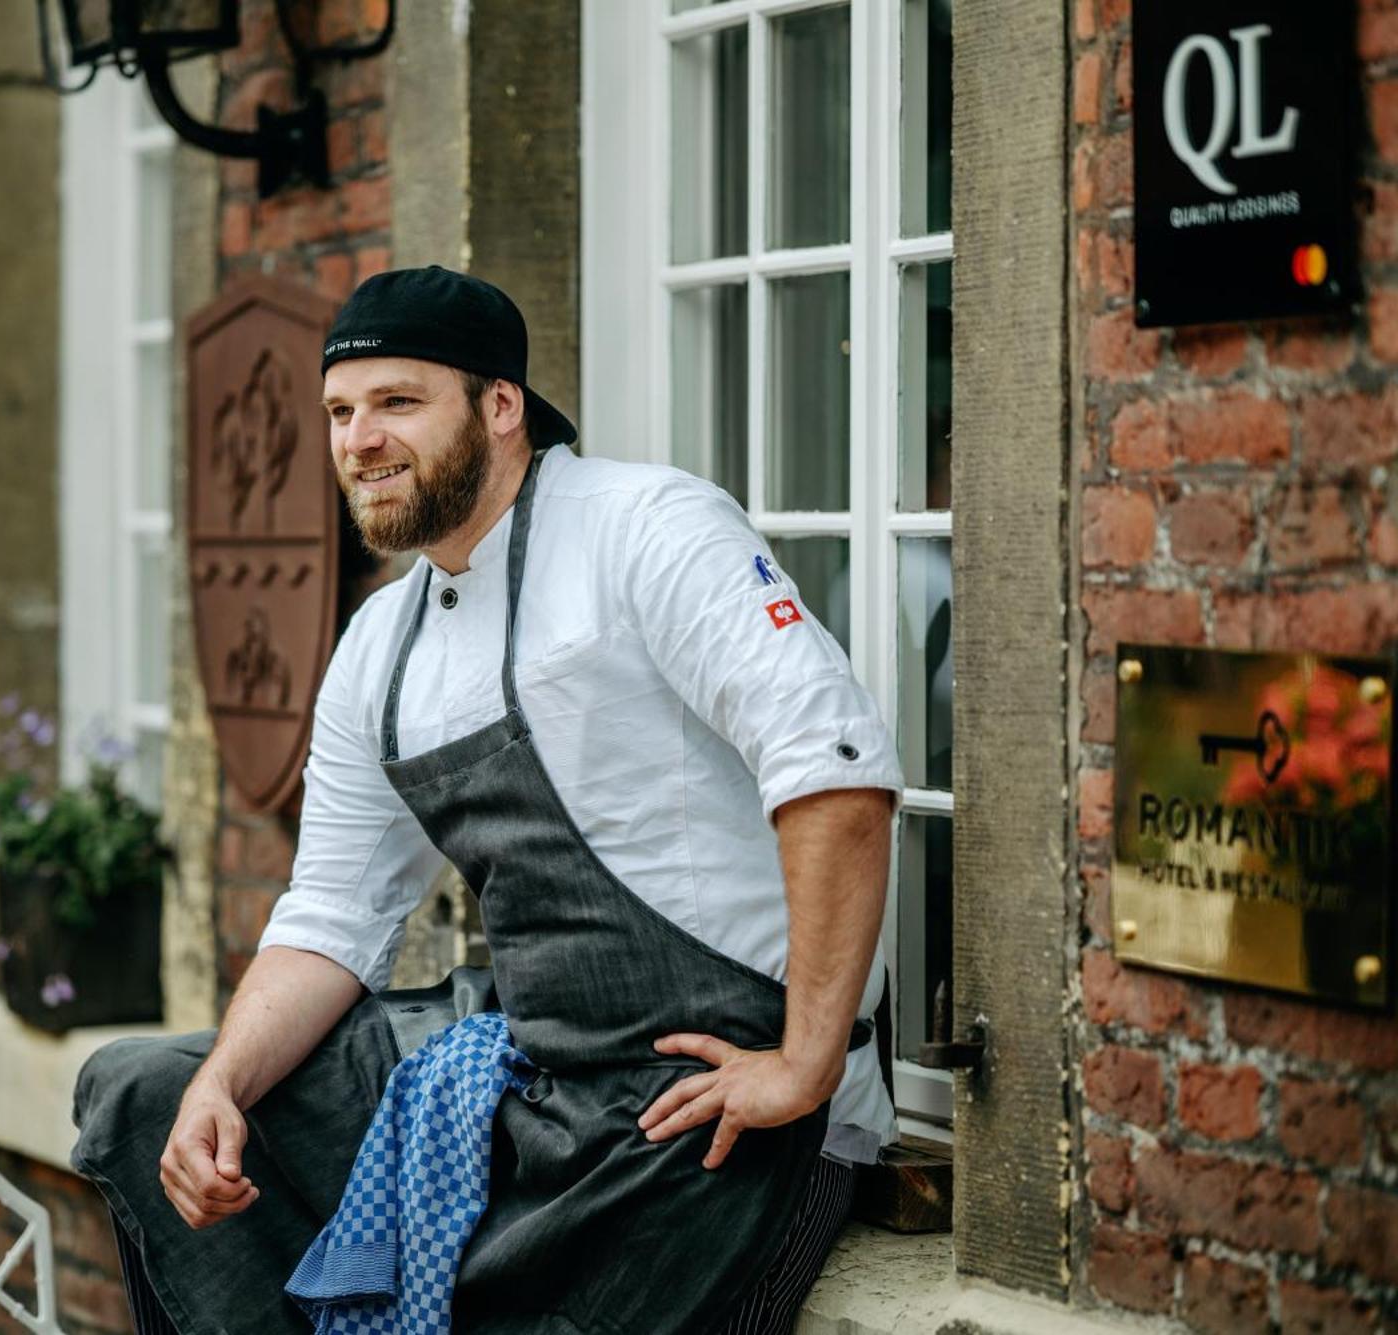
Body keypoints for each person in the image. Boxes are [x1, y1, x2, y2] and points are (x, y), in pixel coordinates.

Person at [72, 266, 902, 1335]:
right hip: (535, 1071)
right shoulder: (381, 642)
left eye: (397, 402)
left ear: (500, 407)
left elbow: (832, 773)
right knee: (150, 1092)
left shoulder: (648, 527)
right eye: (338, 411)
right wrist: (223, 1085)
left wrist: (803, 1059)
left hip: (702, 1101)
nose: (358, 438)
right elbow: (330, 915)